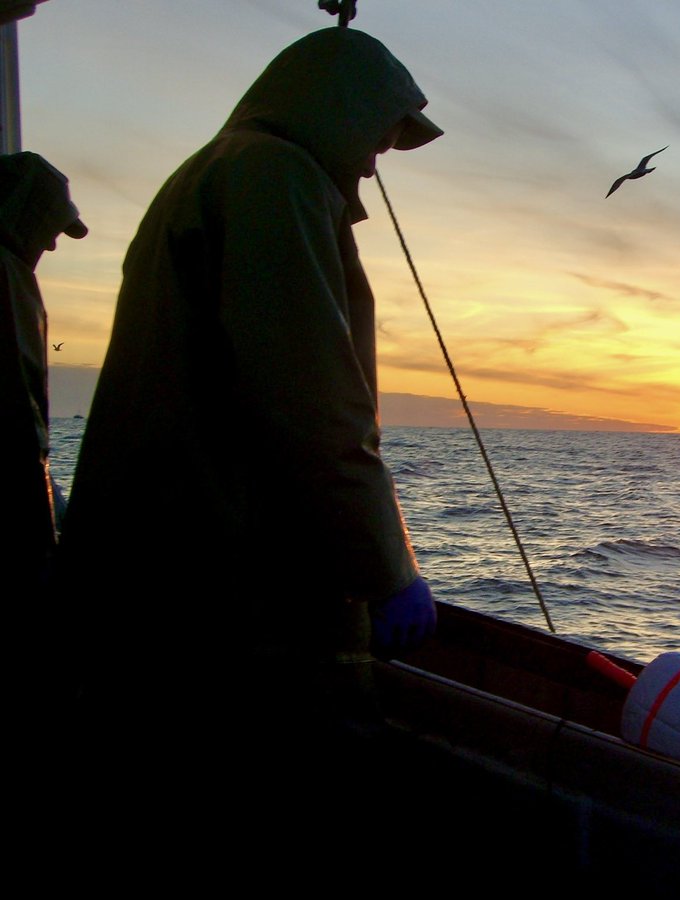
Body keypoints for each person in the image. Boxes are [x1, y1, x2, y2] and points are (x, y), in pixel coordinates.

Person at [56, 27, 442, 811]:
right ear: (339, 109)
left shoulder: (209, 172)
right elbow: (314, 403)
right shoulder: (278, 178)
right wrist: (387, 569)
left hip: (144, 581)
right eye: (379, 136)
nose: (374, 161)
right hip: (219, 600)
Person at [1, 152, 86, 720]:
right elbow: (18, 419)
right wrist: (46, 539)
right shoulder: (6, 274)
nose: (53, 246)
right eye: (50, 227)